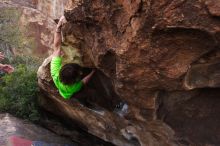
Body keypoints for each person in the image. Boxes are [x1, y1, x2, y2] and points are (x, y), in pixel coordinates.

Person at [50, 16, 97, 106]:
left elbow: (56, 47)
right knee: (84, 93)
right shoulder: (74, 88)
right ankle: (86, 102)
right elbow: (84, 81)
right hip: (70, 93)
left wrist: (58, 27)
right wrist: (93, 72)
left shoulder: (54, 73)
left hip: (63, 91)